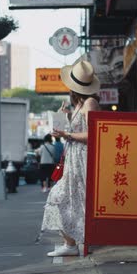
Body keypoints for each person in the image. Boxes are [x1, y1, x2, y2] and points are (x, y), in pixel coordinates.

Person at [41, 60, 101, 257]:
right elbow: (79, 129)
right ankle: (71, 243)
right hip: (74, 159)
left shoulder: (90, 103)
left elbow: (94, 134)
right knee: (67, 198)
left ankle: (75, 243)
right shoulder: (79, 104)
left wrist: (67, 135)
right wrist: (65, 119)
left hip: (83, 159)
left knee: (69, 198)